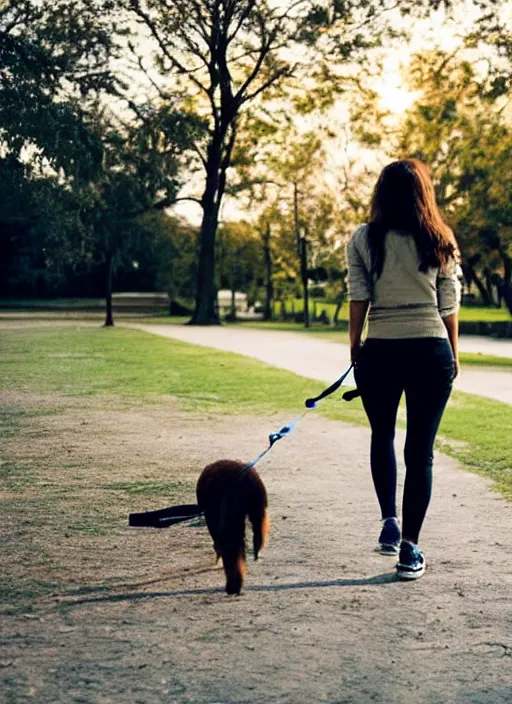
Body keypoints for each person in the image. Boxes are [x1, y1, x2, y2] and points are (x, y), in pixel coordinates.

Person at [346, 158, 461, 580]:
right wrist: (454, 352)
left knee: (382, 435)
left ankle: (388, 521)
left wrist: (355, 346)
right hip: (431, 349)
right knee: (420, 452)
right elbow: (448, 304)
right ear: (423, 193)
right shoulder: (439, 238)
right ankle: (410, 550)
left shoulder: (364, 239)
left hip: (381, 350)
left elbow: (358, 296)